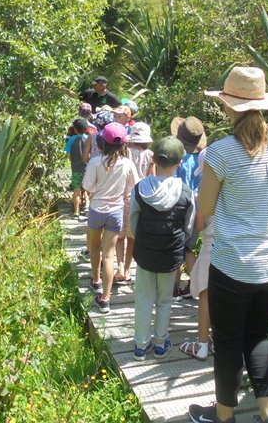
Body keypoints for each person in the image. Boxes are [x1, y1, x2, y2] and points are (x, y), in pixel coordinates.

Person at [188, 67, 268, 423]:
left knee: (229, 341)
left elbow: (205, 209)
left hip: (234, 266)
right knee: (257, 335)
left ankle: (223, 418)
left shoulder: (220, 153)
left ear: (227, 105)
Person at [130, 136, 196, 360]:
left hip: (145, 253)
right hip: (170, 254)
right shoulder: (185, 192)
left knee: (143, 299)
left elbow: (133, 222)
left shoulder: (140, 189)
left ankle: (140, 345)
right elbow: (188, 227)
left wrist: (143, 240)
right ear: (179, 163)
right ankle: (160, 344)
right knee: (165, 300)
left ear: (154, 160)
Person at [83, 122, 139, 314]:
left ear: (102, 143)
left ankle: (96, 281)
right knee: (109, 255)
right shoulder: (127, 164)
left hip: (96, 209)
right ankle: (105, 299)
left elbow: (88, 186)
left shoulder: (95, 162)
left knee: (95, 247)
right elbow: (134, 186)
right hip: (116, 212)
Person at [179, 148, 213, 360]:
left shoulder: (205, 191)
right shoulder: (237, 186)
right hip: (235, 249)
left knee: (205, 296)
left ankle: (202, 344)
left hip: (212, 247)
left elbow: (199, 225)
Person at [170, 116, 207, 301]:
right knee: (188, 248)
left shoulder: (179, 158)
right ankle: (193, 284)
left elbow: (173, 184)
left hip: (181, 208)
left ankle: (175, 288)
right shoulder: (202, 158)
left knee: (178, 248)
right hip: (199, 208)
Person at [116, 122, 155, 284]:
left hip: (121, 197)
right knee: (132, 238)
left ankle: (119, 266)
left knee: (119, 237)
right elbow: (151, 178)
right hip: (139, 199)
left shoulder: (124, 152)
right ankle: (126, 269)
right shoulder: (150, 155)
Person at [65, 118, 89, 221]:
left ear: (75, 129)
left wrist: (73, 159)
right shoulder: (88, 139)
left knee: (76, 191)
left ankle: (76, 212)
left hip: (75, 169)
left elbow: (68, 155)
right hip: (87, 169)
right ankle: (87, 207)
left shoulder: (72, 139)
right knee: (87, 190)